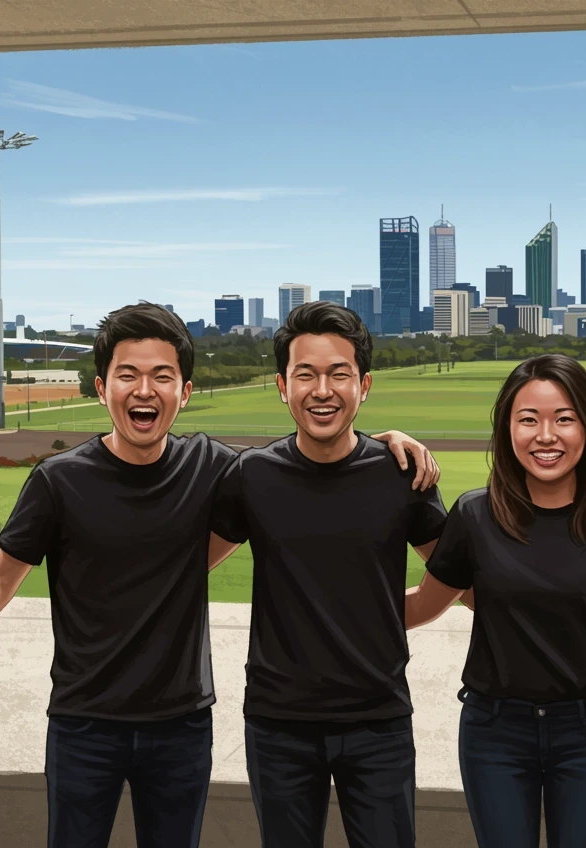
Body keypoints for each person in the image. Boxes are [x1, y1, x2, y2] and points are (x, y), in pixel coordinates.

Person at [0, 302, 437, 848]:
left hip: (182, 724)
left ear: (185, 391)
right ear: (102, 388)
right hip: (84, 721)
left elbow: (311, 460)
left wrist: (387, 441)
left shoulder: (218, 468)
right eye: (128, 375)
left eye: (162, 376)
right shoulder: (59, 481)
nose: (145, 390)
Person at [207, 301, 454, 848]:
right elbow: (188, 566)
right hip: (278, 725)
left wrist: (382, 616)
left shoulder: (401, 473)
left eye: (339, 374)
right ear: (282, 386)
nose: (322, 390)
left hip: (379, 721)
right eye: (306, 375)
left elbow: (454, 576)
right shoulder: (251, 476)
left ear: (364, 385)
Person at [405, 353, 586, 848]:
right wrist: (338, 611)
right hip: (494, 733)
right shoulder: (474, 515)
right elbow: (423, 604)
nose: (545, 436)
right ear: (507, 428)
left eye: (564, 419)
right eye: (528, 419)